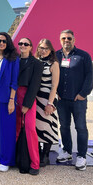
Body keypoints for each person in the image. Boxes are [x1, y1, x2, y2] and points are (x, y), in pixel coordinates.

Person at [56, 30, 93, 171]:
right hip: (61, 100)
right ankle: (66, 151)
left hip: (78, 99)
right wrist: (55, 93)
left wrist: (83, 94)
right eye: (63, 38)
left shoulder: (83, 56)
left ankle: (82, 156)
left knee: (81, 127)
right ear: (60, 40)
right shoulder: (56, 56)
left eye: (69, 38)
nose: (66, 40)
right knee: (64, 126)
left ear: (74, 40)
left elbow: (90, 76)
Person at [0, 32, 19, 172]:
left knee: (7, 126)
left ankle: (6, 159)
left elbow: (14, 81)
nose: (1, 43)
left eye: (4, 41)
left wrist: (12, 99)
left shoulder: (13, 58)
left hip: (7, 94)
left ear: (8, 43)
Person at [16, 38, 43, 175]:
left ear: (31, 47)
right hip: (14, 96)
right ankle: (16, 159)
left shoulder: (37, 64)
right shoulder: (14, 60)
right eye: (21, 43)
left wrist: (27, 104)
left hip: (28, 97)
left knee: (30, 129)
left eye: (26, 44)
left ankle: (35, 163)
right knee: (15, 129)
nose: (23, 46)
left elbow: (35, 85)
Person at [35, 39, 60, 167]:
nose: (43, 50)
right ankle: (38, 153)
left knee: (47, 126)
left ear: (50, 50)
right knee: (36, 128)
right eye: (41, 47)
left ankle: (45, 155)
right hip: (35, 99)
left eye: (45, 48)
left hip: (47, 99)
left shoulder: (53, 63)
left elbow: (55, 85)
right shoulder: (36, 61)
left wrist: (50, 103)